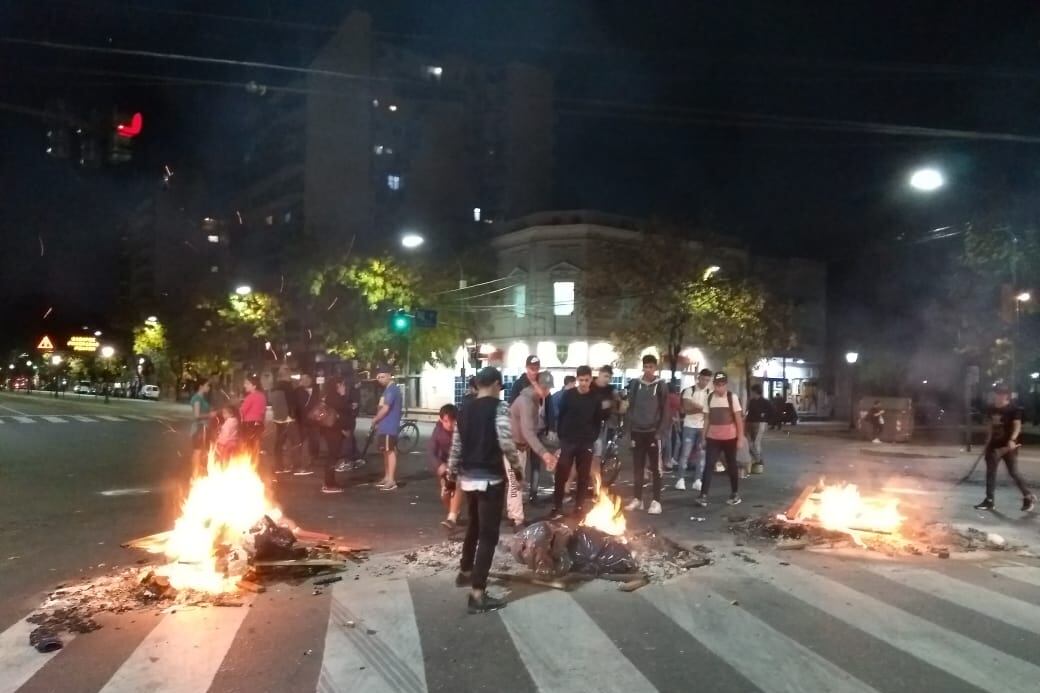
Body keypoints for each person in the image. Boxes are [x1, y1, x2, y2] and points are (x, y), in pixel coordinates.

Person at [446, 367, 523, 613]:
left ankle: (465, 571)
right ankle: (478, 594)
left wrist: (451, 473)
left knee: (474, 526)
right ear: (497, 384)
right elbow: (505, 440)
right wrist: (517, 467)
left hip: (468, 478)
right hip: (490, 478)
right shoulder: (499, 407)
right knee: (488, 536)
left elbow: (457, 445)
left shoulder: (464, 409)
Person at [974, 384, 1036, 512]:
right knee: (990, 473)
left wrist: (1012, 439)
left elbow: (1017, 426)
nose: (1000, 396)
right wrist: (987, 441)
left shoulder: (1013, 409)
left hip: (1008, 447)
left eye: (1003, 394)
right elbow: (990, 425)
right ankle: (989, 501)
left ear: (1007, 395)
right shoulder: (991, 408)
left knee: (1013, 473)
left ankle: (1028, 496)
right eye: (997, 393)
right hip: (994, 446)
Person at [554, 365, 601, 516]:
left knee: (583, 475)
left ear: (590, 379)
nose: (583, 383)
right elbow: (561, 416)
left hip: (586, 442)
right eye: (581, 380)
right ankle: (557, 506)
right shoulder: (568, 396)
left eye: (586, 380)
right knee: (562, 473)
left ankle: (579, 507)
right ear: (577, 379)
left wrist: (592, 437)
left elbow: (597, 420)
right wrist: (561, 436)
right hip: (568, 440)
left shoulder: (595, 398)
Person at [624, 354, 668, 514]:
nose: (648, 370)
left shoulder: (661, 385)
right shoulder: (636, 384)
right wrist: (629, 431)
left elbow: (666, 410)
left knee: (655, 468)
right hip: (637, 432)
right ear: (642, 367)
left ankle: (656, 501)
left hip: (653, 433)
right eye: (646, 366)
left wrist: (660, 431)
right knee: (637, 467)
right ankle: (638, 499)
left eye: (651, 367)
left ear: (655, 368)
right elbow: (630, 408)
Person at [695, 372, 746, 507]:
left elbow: (738, 419)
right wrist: (703, 438)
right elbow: (706, 419)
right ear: (714, 385)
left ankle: (735, 493)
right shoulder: (710, 397)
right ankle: (703, 495)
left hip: (730, 438)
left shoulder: (732, 397)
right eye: (717, 385)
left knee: (731, 465)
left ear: (726, 385)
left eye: (722, 385)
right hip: (713, 438)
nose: (720, 388)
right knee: (709, 465)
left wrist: (740, 438)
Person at [512, 371, 557, 506]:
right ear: (535, 384)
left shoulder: (535, 398)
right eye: (544, 387)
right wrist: (544, 453)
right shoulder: (526, 401)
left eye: (548, 388)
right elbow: (528, 431)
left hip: (521, 445)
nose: (546, 391)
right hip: (513, 446)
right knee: (515, 484)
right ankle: (516, 518)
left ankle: (515, 515)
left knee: (517, 482)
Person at [429, 404, 465, 529]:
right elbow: (431, 451)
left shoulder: (462, 429)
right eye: (445, 421)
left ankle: (452, 517)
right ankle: (454, 511)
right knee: (445, 493)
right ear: (440, 420)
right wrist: (439, 465)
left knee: (457, 485)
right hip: (444, 465)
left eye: (452, 421)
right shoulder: (438, 431)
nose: (449, 424)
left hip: (459, 465)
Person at [676, 368, 712, 492]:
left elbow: (710, 412)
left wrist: (695, 406)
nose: (705, 382)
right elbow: (686, 408)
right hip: (689, 425)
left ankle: (698, 480)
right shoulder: (689, 390)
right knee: (685, 453)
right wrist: (703, 408)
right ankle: (680, 479)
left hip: (703, 426)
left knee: (701, 454)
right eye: (703, 379)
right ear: (699, 378)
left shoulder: (710, 392)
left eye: (707, 380)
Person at [371, 365, 403, 491]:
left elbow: (385, 408)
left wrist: (375, 419)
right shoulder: (387, 390)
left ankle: (391, 480)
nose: (380, 379)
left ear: (389, 375)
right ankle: (387, 477)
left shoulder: (392, 390)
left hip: (389, 426)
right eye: (378, 377)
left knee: (390, 452)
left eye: (382, 376)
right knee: (386, 452)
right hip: (384, 426)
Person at [318, 377, 349, 494]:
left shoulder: (329, 397)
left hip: (330, 431)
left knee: (332, 456)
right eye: (343, 385)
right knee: (332, 456)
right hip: (334, 432)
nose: (344, 387)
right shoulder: (337, 399)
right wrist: (343, 429)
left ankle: (330, 481)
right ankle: (329, 484)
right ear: (338, 385)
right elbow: (339, 417)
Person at [269, 367, 297, 474]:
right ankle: (296, 465)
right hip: (288, 418)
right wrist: (292, 415)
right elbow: (291, 402)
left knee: (279, 443)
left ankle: (278, 466)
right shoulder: (288, 387)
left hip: (278, 417)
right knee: (296, 442)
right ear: (287, 375)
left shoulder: (276, 386)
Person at [293, 374, 320, 475]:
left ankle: (312, 457)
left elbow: (317, 403)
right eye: (304, 379)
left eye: (308, 378)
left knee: (314, 439)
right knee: (302, 441)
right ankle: (300, 463)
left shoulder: (315, 390)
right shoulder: (297, 391)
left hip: (314, 420)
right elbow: (296, 406)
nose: (306, 381)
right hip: (302, 420)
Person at [744, 384, 773, 475]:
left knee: (756, 443)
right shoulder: (752, 401)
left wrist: (764, 416)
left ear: (756, 392)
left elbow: (772, 410)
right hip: (750, 423)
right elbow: (748, 412)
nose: (751, 393)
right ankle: (757, 459)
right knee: (749, 443)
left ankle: (758, 460)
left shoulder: (764, 401)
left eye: (752, 391)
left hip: (760, 423)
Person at [239, 375, 267, 460]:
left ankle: (248, 463)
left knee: (247, 446)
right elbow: (263, 411)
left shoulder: (250, 397)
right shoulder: (262, 396)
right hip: (259, 423)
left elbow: (242, 411)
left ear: (254, 386)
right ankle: (254, 464)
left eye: (247, 384)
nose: (245, 385)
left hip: (249, 424)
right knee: (255, 445)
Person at [188, 380, 212, 470]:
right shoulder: (197, 398)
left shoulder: (203, 398)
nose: (209, 388)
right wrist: (210, 415)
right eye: (207, 385)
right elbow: (197, 415)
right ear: (201, 386)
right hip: (199, 427)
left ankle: (200, 470)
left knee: (204, 451)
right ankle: (195, 472)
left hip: (204, 427)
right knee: (197, 451)